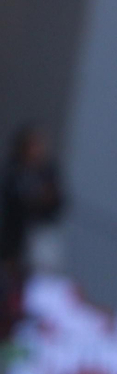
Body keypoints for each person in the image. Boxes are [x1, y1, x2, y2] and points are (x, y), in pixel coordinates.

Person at [1, 125, 67, 328]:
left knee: (41, 279)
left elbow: (58, 201)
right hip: (15, 237)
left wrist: (41, 199)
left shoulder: (48, 171)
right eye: (34, 145)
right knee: (13, 280)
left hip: (41, 235)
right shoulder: (14, 170)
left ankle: (37, 319)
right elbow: (15, 202)